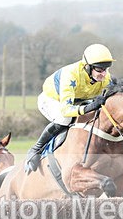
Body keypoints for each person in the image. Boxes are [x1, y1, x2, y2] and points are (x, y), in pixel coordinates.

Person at [25, 43, 115, 173]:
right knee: (65, 118)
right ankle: (36, 149)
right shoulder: (71, 75)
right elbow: (66, 109)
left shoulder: (105, 76)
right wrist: (90, 106)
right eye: (99, 70)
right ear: (87, 67)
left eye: (106, 69)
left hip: (79, 101)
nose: (104, 74)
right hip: (52, 100)